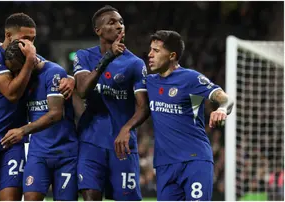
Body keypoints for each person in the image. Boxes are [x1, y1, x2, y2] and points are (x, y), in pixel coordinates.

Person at [0, 13, 74, 201]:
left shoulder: (28, 57)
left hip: (14, 138)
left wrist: (71, 79)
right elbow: (11, 93)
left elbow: (52, 70)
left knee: (12, 197)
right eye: (25, 38)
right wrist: (30, 62)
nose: (30, 44)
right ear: (8, 36)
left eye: (33, 39)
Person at [146, 30, 234, 201]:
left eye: (156, 51)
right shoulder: (149, 82)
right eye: (150, 50)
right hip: (165, 165)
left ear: (172, 55)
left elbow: (226, 99)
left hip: (194, 160)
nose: (150, 55)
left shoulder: (191, 78)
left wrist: (222, 110)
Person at [73, 5, 150, 201]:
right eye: (112, 22)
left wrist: (127, 128)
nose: (119, 26)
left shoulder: (135, 63)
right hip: (91, 141)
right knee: (91, 197)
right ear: (98, 30)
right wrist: (108, 58)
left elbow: (143, 107)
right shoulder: (84, 56)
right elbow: (82, 90)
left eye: (121, 22)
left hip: (122, 144)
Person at [0, 40, 79, 201]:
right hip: (38, 153)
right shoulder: (24, 82)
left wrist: (22, 131)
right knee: (30, 198)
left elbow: (56, 114)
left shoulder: (54, 73)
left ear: (30, 62)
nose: (16, 76)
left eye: (17, 70)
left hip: (65, 153)